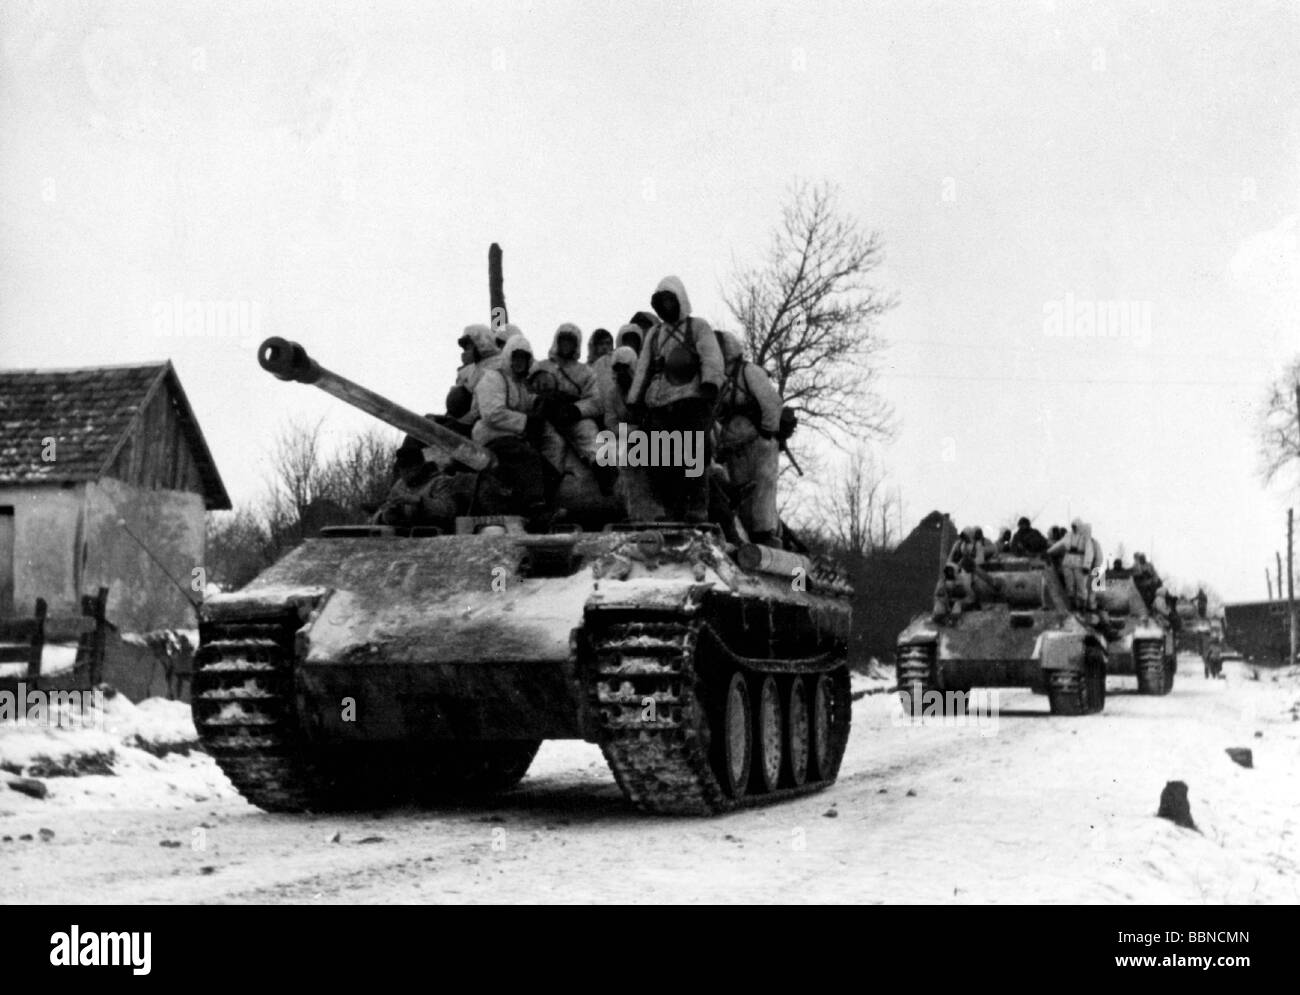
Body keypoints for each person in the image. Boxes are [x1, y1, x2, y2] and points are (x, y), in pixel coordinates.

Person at [626, 276, 725, 523]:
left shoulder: (698, 327)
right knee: (659, 456)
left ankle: (696, 506)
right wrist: (635, 400)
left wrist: (710, 383)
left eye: (671, 300)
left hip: (691, 396)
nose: (667, 305)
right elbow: (644, 367)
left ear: (680, 299)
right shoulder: (655, 334)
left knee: (694, 453)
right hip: (659, 400)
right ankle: (669, 507)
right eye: (663, 301)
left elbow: (711, 356)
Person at [471, 334, 554, 529]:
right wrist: (525, 422)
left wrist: (541, 403)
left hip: (511, 437)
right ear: (508, 356)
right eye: (516, 357)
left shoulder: (519, 385)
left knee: (548, 468)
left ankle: (543, 509)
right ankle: (536, 509)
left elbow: (524, 402)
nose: (519, 362)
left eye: (523, 359)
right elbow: (492, 413)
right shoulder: (493, 378)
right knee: (528, 458)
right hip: (492, 436)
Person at [713, 330, 783, 546]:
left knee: (763, 486)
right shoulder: (718, 377)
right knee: (741, 493)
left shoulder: (749, 372)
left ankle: (764, 534)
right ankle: (748, 536)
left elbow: (771, 402)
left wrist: (767, 431)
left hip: (758, 443)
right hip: (735, 447)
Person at [535, 323, 604, 468]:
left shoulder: (585, 371)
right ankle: (551, 478)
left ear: (576, 344)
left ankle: (604, 472)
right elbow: (528, 391)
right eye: (563, 340)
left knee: (590, 435)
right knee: (554, 445)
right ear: (557, 342)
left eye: (570, 341)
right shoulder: (541, 366)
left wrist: (576, 410)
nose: (566, 345)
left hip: (573, 416)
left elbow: (596, 400)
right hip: (547, 416)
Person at [1046, 518, 1097, 610]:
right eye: (1072, 526)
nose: (1073, 528)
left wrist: (1087, 565)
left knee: (1081, 584)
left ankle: (1082, 606)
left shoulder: (1085, 537)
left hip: (1080, 562)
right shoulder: (1068, 535)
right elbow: (1060, 545)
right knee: (1069, 584)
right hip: (1068, 561)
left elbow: (1089, 552)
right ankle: (1072, 604)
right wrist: (1048, 552)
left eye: (1075, 526)